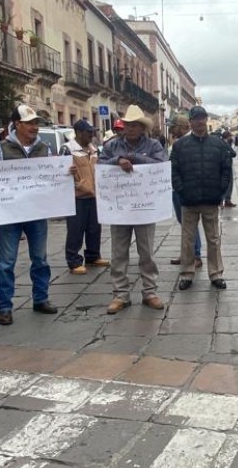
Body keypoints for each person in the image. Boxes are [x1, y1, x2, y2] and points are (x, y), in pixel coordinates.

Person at [0, 104, 75, 326]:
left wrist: (66, 173)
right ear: (17, 125)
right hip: (10, 214)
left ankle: (41, 298)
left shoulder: (45, 149)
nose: (34, 127)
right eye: (29, 123)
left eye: (36, 123)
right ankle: (5, 307)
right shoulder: (1, 149)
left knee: (40, 258)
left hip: (36, 213)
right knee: (6, 262)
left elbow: (54, 177)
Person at [99, 105, 167, 313]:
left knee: (146, 252)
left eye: (134, 125)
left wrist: (135, 158)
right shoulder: (111, 146)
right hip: (119, 208)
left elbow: (161, 164)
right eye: (127, 124)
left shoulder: (154, 145)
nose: (130, 128)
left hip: (145, 207)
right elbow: (100, 165)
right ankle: (120, 295)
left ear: (142, 127)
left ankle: (150, 292)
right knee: (119, 253)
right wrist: (118, 160)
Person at [171, 105, 232, 291]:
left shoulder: (218, 144)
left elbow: (226, 169)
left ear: (206, 120)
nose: (199, 121)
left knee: (213, 238)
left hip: (210, 200)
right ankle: (187, 273)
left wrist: (220, 191)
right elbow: (174, 171)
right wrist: (181, 190)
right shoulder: (180, 145)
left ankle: (216, 274)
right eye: (196, 118)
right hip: (188, 200)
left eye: (202, 118)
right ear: (190, 122)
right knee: (187, 239)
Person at [60, 120, 109, 274]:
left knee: (94, 228)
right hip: (76, 196)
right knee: (76, 229)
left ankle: (93, 255)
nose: (92, 135)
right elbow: (60, 171)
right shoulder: (67, 149)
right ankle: (73, 261)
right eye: (89, 132)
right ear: (79, 132)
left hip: (93, 195)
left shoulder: (94, 150)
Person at [168, 115, 203, 268]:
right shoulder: (177, 141)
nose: (170, 129)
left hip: (185, 188)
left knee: (190, 223)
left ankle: (195, 254)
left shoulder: (188, 142)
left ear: (181, 126)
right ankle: (186, 253)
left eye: (173, 126)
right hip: (176, 187)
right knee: (184, 223)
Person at [220, 130, 237, 208]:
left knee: (221, 183)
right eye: (230, 136)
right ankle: (227, 200)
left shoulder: (218, 143)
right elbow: (234, 153)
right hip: (227, 166)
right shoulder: (226, 144)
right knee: (229, 183)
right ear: (228, 137)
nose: (231, 138)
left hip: (219, 166)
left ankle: (220, 201)